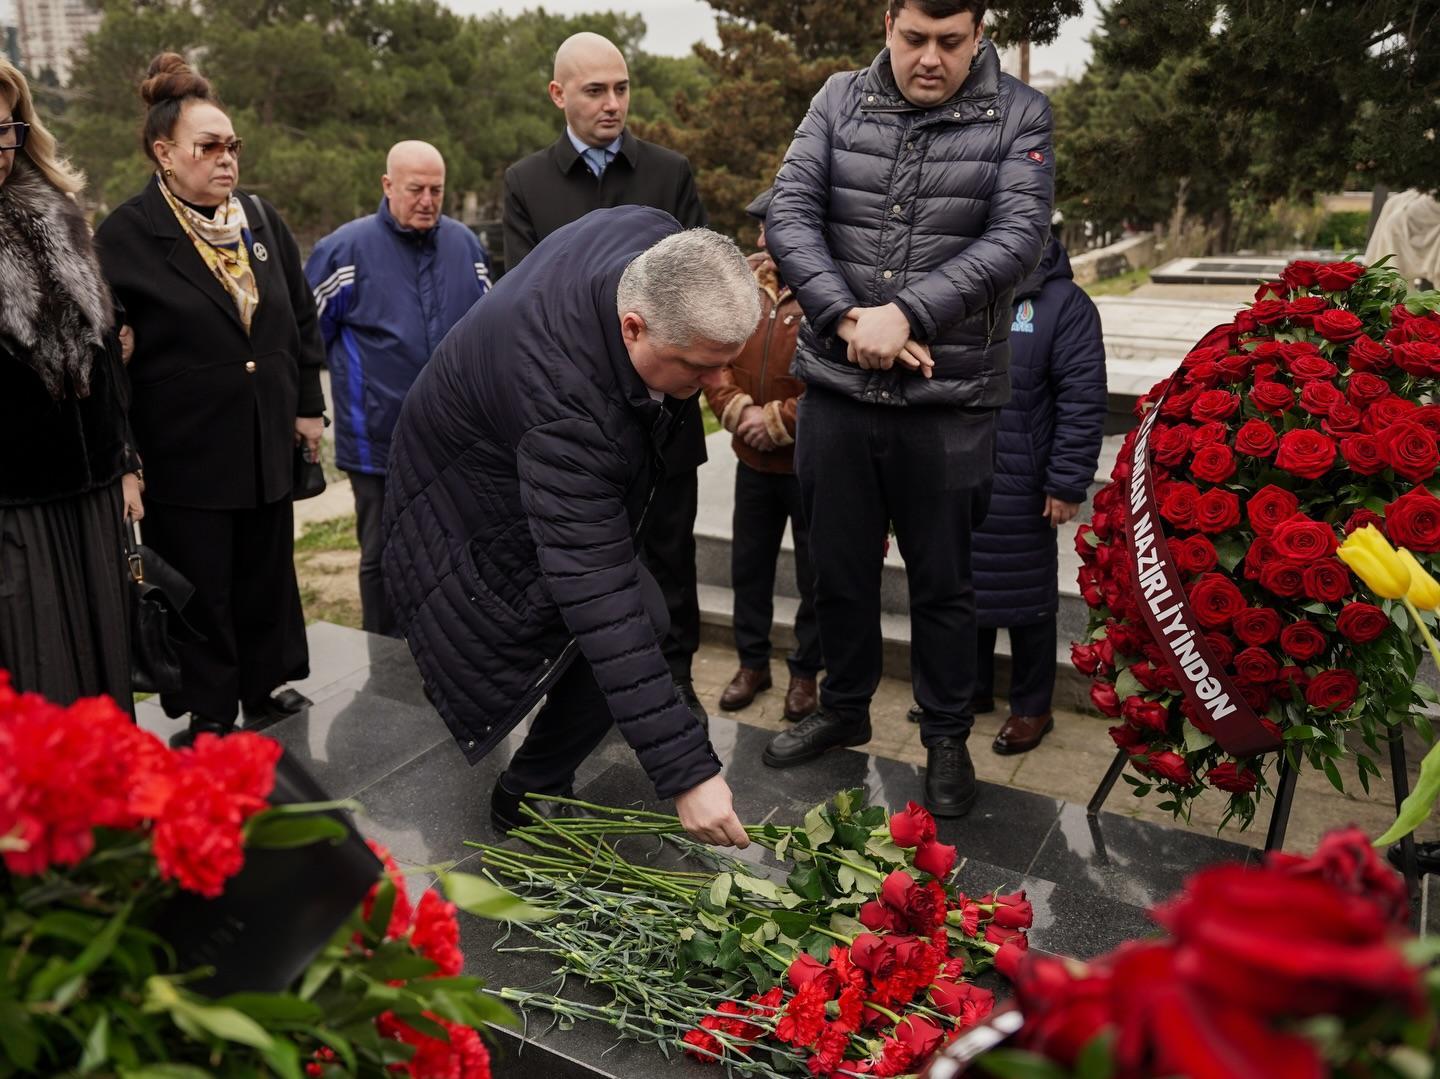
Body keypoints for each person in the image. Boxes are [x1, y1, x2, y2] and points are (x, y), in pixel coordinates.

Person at [381, 207, 758, 848]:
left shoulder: (653, 239)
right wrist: (687, 773)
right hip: (466, 495)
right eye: (698, 367)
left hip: (507, 437)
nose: (716, 385)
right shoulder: (567, 407)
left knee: (626, 614)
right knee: (626, 616)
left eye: (728, 363)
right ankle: (526, 791)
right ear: (632, 327)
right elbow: (596, 590)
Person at [760, 0, 1054, 817]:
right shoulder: (837, 97)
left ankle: (946, 734)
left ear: (979, 33)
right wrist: (850, 319)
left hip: (948, 403)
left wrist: (908, 314)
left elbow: (1017, 239)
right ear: (887, 23)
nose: (930, 58)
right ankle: (843, 706)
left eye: (950, 42)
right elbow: (789, 213)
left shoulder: (1021, 114)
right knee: (837, 568)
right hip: (837, 391)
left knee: (945, 583)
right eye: (914, 38)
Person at [96, 53, 326, 741]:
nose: (226, 158)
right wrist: (125, 460)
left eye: (233, 145)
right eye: (208, 146)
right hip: (185, 448)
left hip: (263, 435)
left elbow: (299, 316)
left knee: (266, 572)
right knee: (202, 584)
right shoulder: (126, 235)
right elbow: (106, 359)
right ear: (164, 153)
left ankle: (264, 683)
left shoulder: (258, 218)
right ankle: (210, 709)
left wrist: (307, 405)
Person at [502, 32, 710, 723]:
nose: (613, 103)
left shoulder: (670, 173)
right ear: (558, 94)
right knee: (584, 564)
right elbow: (525, 302)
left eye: (622, 88)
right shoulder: (526, 183)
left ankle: (675, 681)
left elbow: (699, 283)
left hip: (665, 415)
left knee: (670, 555)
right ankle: (582, 694)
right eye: (595, 91)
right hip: (576, 425)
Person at [305, 140, 491, 637]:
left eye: (437, 190)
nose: (428, 201)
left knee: (453, 552)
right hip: (376, 443)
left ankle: (449, 648)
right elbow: (305, 340)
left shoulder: (467, 248)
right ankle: (384, 655)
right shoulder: (343, 252)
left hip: (454, 442)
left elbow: (488, 335)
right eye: (416, 190)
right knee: (383, 554)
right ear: (388, 185)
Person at [0, 58, 140, 714]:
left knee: (104, 665)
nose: (1, 149)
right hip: (15, 504)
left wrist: (126, 461)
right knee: (41, 679)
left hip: (91, 488)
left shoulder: (58, 212)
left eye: (6, 129)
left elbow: (104, 357)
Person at [962, 234, 1105, 753]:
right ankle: (971, 691)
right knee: (963, 585)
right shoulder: (962, 284)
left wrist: (1066, 481)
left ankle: (1032, 707)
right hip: (958, 470)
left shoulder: (1066, 305)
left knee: (1026, 597)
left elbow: (1082, 400)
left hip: (1022, 480)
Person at [703, 187, 823, 721]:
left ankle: (805, 673)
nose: (758, 241)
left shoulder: (829, 290)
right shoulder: (741, 287)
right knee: (748, 568)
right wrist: (738, 412)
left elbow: (833, 380)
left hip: (808, 465)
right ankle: (752, 664)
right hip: (752, 463)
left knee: (815, 576)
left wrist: (777, 422)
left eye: (767, 229)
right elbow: (714, 357)